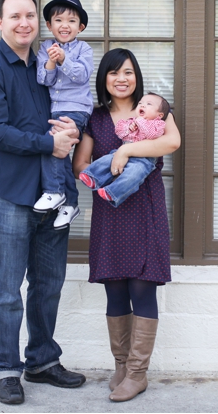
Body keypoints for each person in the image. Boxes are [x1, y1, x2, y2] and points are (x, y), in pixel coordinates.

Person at [0, 0, 87, 406]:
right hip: (12, 196)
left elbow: (70, 109)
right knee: (6, 289)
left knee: (48, 284)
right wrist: (49, 144)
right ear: (0, 22)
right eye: (15, 16)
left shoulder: (45, 65)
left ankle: (42, 360)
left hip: (52, 195)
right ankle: (6, 368)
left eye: (30, 16)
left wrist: (73, 132)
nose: (24, 23)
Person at [72, 49, 181, 402]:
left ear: (137, 77)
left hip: (145, 210)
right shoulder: (96, 118)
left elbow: (172, 142)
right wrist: (108, 165)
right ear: (104, 78)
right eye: (114, 72)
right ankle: (120, 367)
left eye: (129, 72)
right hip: (109, 212)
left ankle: (137, 374)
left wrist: (126, 151)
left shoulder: (154, 110)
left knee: (142, 289)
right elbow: (80, 165)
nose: (122, 79)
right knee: (115, 290)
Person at [33, 0, 94, 229]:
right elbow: (43, 80)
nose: (64, 25)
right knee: (60, 151)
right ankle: (70, 203)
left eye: (71, 21)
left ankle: (54, 191)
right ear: (49, 25)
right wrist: (51, 61)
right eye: (58, 20)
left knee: (53, 143)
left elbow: (81, 75)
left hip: (77, 109)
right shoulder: (45, 47)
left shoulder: (84, 48)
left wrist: (64, 59)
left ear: (81, 27)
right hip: (55, 110)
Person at [79, 92, 170, 208]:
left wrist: (140, 122)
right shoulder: (132, 121)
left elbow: (152, 135)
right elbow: (120, 133)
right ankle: (93, 177)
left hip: (143, 160)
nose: (142, 105)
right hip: (121, 155)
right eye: (140, 103)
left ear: (159, 115)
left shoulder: (158, 124)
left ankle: (112, 192)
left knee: (133, 173)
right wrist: (129, 128)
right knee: (106, 160)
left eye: (149, 104)